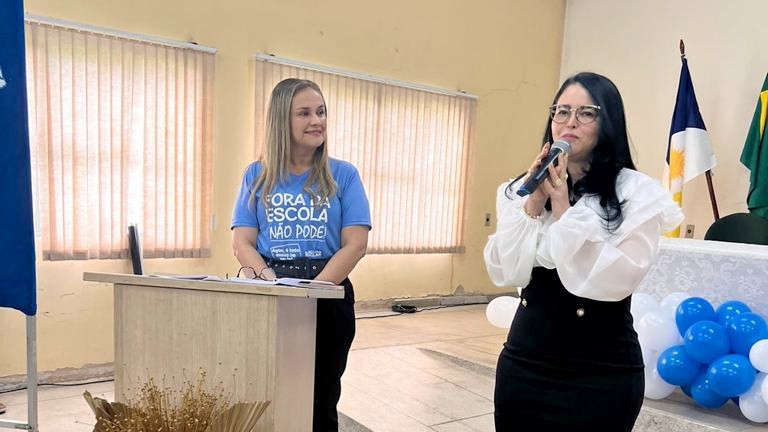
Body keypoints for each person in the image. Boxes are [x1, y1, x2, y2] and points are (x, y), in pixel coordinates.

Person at [483, 72, 683, 431]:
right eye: (561, 111)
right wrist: (533, 204)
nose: (570, 122)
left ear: (608, 122)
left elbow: (613, 280)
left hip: (600, 370)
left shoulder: (636, 194)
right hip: (525, 363)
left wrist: (563, 208)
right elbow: (507, 271)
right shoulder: (519, 189)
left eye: (586, 112)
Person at [231, 78, 371, 432]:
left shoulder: (343, 174)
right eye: (305, 113)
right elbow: (243, 241)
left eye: (321, 111)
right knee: (267, 394)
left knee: (319, 400)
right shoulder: (256, 174)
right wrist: (267, 281)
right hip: (271, 288)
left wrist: (311, 294)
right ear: (282, 120)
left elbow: (355, 244)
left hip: (327, 291)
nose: (317, 120)